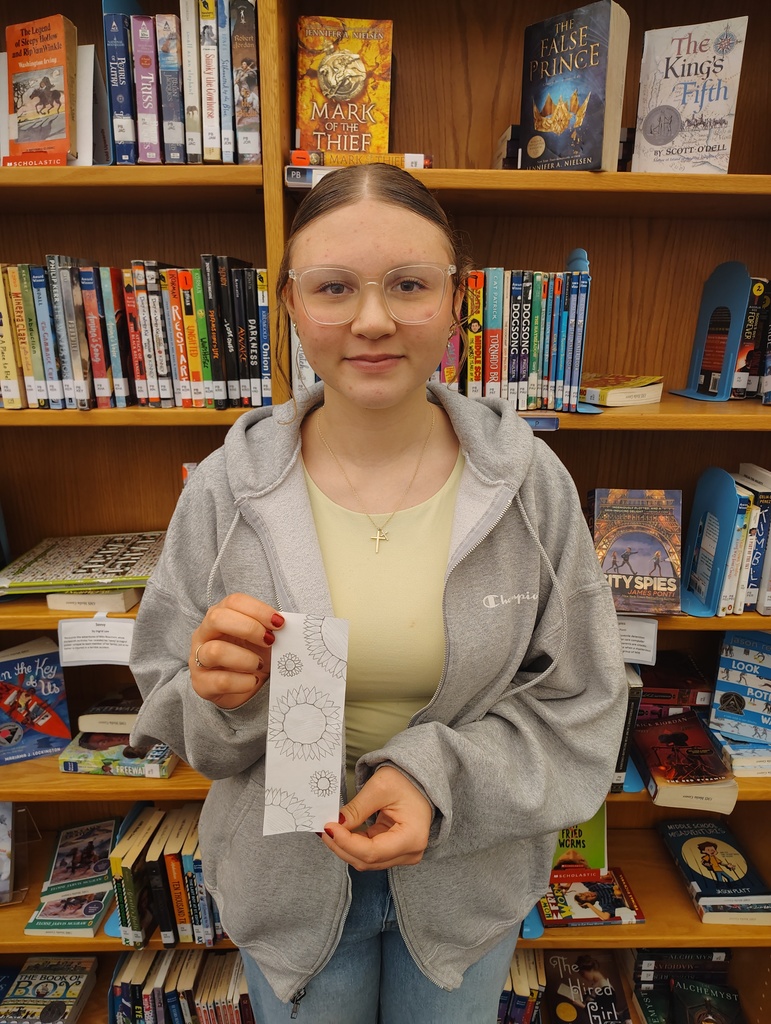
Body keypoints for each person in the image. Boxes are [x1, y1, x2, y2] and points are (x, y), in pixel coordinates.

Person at [129, 163, 627, 1023]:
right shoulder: (224, 489)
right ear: (288, 305)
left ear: (455, 299)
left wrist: (435, 782)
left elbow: (584, 706)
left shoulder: (528, 484)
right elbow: (172, 706)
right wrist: (216, 697)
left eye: (407, 285)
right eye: (333, 288)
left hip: (467, 879)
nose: (372, 320)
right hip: (285, 886)